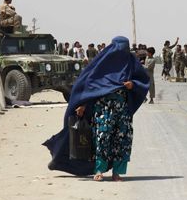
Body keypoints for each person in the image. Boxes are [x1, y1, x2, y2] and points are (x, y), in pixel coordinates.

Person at [43, 36, 150, 180]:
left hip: (122, 110)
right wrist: (83, 105)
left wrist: (133, 84)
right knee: (102, 138)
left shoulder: (131, 62)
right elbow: (89, 86)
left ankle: (117, 173)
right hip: (103, 110)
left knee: (122, 141)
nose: (121, 52)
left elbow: (142, 80)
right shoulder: (101, 64)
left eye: (124, 48)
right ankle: (99, 170)